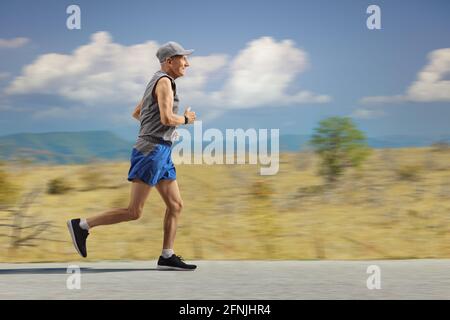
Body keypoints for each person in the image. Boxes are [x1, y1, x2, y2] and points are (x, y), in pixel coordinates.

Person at [67, 41, 197, 270]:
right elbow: (167, 118)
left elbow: (138, 113)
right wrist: (185, 120)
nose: (187, 63)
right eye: (182, 58)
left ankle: (167, 255)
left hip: (161, 151)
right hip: (151, 152)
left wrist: (163, 133)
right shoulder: (165, 82)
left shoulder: (156, 81)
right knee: (133, 211)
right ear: (169, 61)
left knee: (175, 205)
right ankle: (82, 226)